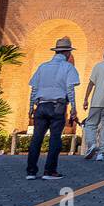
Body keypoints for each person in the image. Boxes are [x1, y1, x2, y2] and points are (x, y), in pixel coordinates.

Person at [25, 37, 81, 180]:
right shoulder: (68, 67)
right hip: (57, 106)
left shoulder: (42, 67)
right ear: (68, 53)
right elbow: (70, 89)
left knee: (36, 138)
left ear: (56, 52)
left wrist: (31, 106)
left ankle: (31, 171)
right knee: (55, 138)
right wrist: (74, 108)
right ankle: (49, 171)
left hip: (41, 105)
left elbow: (34, 88)